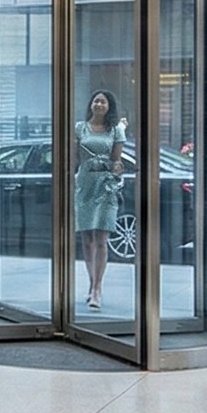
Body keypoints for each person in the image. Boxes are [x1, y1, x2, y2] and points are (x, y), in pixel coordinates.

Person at [74, 89, 125, 310]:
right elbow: (73, 158)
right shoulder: (80, 128)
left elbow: (116, 160)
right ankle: (91, 282)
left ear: (109, 106)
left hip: (105, 186)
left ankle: (97, 288)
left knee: (102, 238)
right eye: (96, 100)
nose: (99, 104)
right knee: (87, 239)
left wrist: (116, 173)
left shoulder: (115, 131)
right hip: (85, 184)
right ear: (91, 104)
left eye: (103, 101)